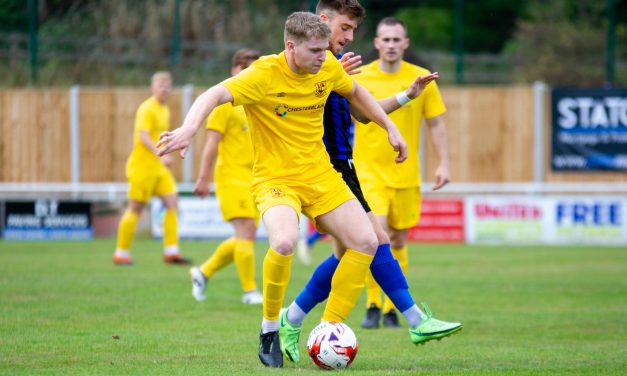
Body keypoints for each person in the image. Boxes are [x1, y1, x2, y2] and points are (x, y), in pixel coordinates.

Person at [156, 12, 407, 368]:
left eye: (325, 49)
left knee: (366, 242)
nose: (324, 57)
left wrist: (389, 129)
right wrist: (188, 128)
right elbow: (213, 94)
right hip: (276, 181)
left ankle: (328, 327)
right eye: (316, 50)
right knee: (285, 242)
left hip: (321, 176)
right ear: (291, 46)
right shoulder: (262, 74)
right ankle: (270, 328)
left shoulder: (326, 68)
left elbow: (358, 94)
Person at [277, 1, 461, 365]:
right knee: (375, 240)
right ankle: (413, 319)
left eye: (352, 31)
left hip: (342, 166)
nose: (348, 37)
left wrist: (408, 95)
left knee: (349, 252)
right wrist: (326, 77)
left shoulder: (331, 66)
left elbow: (361, 111)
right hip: (322, 169)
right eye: (344, 28)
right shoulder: (310, 62)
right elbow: (286, 101)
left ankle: (292, 318)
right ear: (324, 21)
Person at [353, 17, 452, 329]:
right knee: (375, 237)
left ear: (406, 43)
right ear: (376, 43)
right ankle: (371, 305)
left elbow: (436, 123)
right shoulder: (362, 77)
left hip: (406, 174)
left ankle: (392, 309)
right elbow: (361, 116)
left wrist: (444, 163)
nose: (391, 45)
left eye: (397, 40)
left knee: (397, 240)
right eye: (386, 39)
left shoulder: (422, 79)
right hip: (369, 172)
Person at [188, 49, 263, 305]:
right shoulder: (224, 102)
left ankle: (203, 272)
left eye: (254, 69)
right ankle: (250, 291)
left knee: (247, 235)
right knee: (245, 231)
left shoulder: (256, 101)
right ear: (234, 71)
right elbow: (211, 144)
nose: (249, 74)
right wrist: (203, 178)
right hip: (231, 177)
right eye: (245, 69)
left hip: (256, 178)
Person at [112, 71, 192, 266]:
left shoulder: (164, 109)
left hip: (159, 169)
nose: (164, 89)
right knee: (136, 208)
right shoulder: (147, 108)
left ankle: (171, 252)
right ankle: (121, 253)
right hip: (142, 168)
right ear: (152, 88)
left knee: (172, 202)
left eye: (167, 85)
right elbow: (143, 136)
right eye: (160, 85)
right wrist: (161, 155)